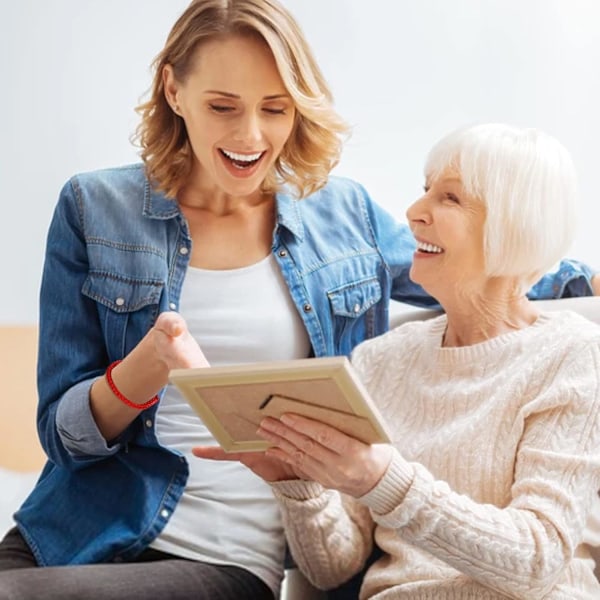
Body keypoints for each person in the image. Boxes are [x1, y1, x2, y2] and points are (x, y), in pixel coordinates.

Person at [0, 0, 597, 595]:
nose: (250, 135)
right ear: (174, 91)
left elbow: (493, 263)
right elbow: (63, 434)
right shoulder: (93, 208)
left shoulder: (341, 218)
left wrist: (583, 282)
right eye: (222, 107)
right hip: (77, 529)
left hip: (225, 552)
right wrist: (143, 370)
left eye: (275, 109)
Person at [197, 123, 600, 599]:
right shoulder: (382, 361)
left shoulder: (572, 354)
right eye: (425, 191)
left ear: (515, 223)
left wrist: (382, 479)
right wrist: (298, 485)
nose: (413, 213)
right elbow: (331, 569)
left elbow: (537, 559)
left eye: (450, 198)